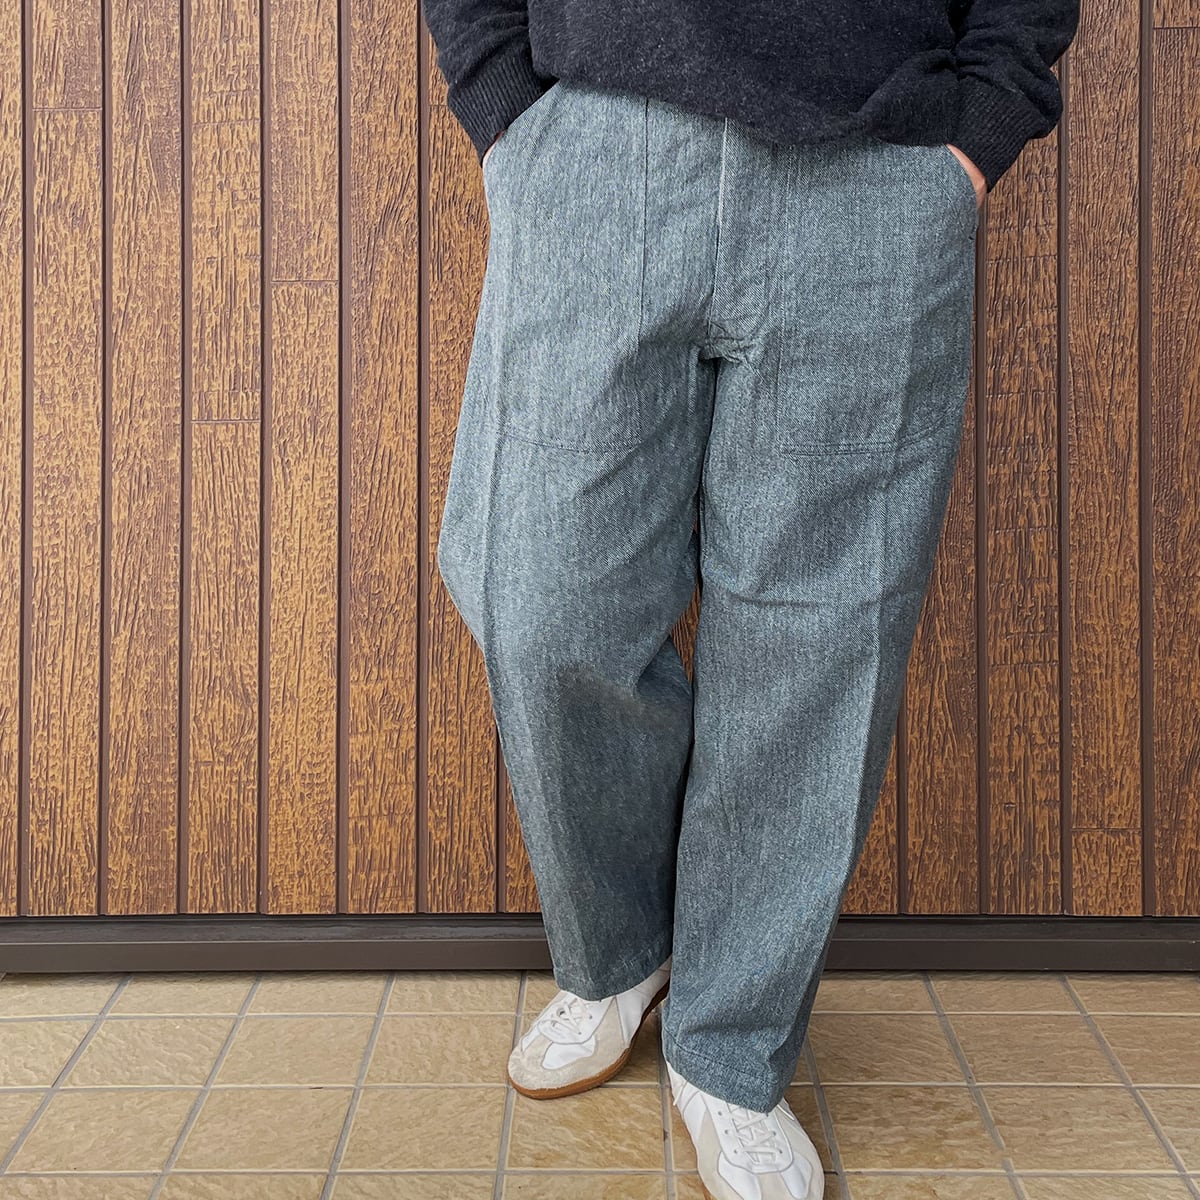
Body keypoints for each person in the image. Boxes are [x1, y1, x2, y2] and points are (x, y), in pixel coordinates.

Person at [422, 2, 1079, 1196]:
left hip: (876, 163)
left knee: (820, 641)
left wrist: (974, 139)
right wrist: (504, 105)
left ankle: (730, 1047)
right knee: (541, 595)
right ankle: (620, 951)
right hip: (594, 145)